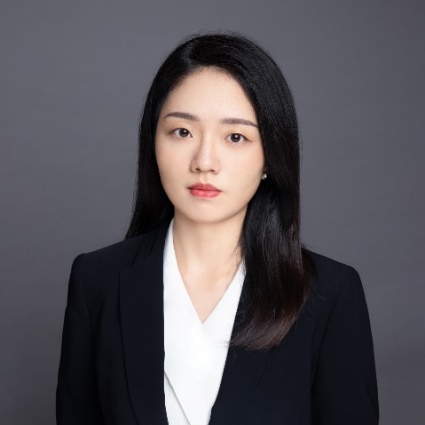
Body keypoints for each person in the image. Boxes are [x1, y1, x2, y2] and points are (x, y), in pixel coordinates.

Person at [56, 32, 379, 425]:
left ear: (269, 156)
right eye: (182, 132)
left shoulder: (330, 294)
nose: (204, 161)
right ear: (153, 142)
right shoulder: (98, 282)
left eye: (235, 137)